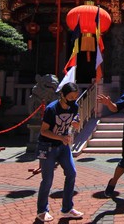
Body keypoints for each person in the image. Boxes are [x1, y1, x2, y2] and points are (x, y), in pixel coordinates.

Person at [36, 82, 84, 222]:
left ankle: (67, 208)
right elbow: (43, 130)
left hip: (63, 146)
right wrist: (60, 137)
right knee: (47, 179)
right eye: (70, 96)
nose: (73, 100)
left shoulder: (74, 107)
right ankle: (42, 210)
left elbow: (74, 122)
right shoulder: (52, 109)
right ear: (62, 95)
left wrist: (76, 124)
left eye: (75, 97)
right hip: (48, 146)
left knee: (71, 173)